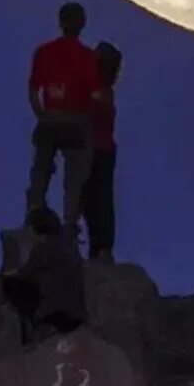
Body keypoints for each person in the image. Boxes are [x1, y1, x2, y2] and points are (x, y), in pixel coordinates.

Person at [26, 2, 104, 231]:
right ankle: (70, 221)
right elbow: (96, 95)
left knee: (41, 168)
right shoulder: (88, 57)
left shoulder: (44, 52)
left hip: (51, 118)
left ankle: (34, 211)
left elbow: (33, 90)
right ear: (82, 25)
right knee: (75, 175)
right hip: (77, 121)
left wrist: (42, 115)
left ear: (60, 22)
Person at [1, 206, 86, 339]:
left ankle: (35, 329)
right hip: (76, 315)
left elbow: (25, 273)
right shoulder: (65, 246)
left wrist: (4, 277)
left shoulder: (44, 249)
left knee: (13, 285)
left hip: (56, 315)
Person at [82, 41, 122, 262]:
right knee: (99, 201)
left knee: (93, 200)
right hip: (103, 151)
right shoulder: (105, 93)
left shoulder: (99, 93)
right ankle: (100, 249)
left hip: (94, 151)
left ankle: (100, 249)